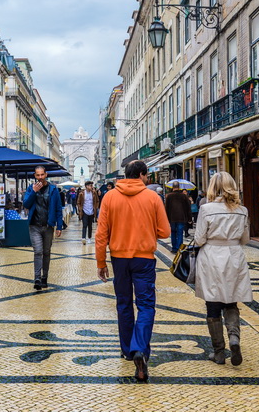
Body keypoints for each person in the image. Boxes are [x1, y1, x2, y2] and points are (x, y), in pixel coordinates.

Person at [95, 160, 170, 382]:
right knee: (146, 305)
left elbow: (101, 234)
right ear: (142, 175)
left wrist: (101, 262)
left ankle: (128, 350)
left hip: (119, 259)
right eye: (147, 176)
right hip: (144, 259)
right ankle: (140, 349)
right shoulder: (152, 197)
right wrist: (147, 230)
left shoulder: (109, 197)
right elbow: (165, 231)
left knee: (124, 304)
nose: (148, 179)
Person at [193, 172, 252, 366]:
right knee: (231, 300)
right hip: (234, 256)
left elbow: (199, 238)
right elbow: (245, 239)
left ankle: (219, 352)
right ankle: (234, 338)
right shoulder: (242, 210)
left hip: (211, 256)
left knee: (213, 303)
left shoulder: (206, 209)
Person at [23, 166, 64, 290]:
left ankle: (44, 277)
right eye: (37, 175)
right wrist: (34, 192)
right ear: (34, 176)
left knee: (46, 252)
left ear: (46, 174)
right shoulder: (31, 188)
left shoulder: (53, 189)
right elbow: (26, 204)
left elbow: (58, 208)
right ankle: (37, 278)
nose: (40, 177)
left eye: (42, 175)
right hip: (34, 226)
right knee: (38, 251)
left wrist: (59, 226)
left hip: (48, 226)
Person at [165, 182, 191, 252]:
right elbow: (188, 208)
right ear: (179, 187)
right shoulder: (183, 196)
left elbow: (166, 208)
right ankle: (179, 248)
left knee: (173, 232)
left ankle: (174, 248)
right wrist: (189, 218)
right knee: (180, 233)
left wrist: (166, 219)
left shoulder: (169, 196)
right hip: (181, 218)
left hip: (172, 218)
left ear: (172, 187)